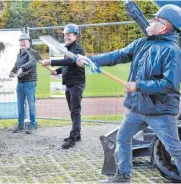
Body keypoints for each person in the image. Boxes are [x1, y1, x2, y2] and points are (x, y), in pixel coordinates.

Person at [77, 5, 181, 182]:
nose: (151, 21)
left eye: (156, 19)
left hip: (160, 112)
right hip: (137, 108)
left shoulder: (173, 51)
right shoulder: (143, 42)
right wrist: (91, 60)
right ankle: (123, 175)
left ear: (164, 26)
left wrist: (138, 86)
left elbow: (168, 84)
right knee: (123, 138)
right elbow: (118, 55)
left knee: (174, 150)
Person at [42, 23, 85, 149]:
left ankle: (72, 138)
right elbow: (67, 65)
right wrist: (57, 71)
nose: (66, 37)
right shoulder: (68, 48)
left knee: (75, 111)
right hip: (69, 83)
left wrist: (50, 61)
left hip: (77, 83)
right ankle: (77, 134)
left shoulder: (77, 48)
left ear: (75, 36)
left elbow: (70, 61)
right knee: (72, 110)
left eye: (69, 34)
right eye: (65, 35)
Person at [9, 33, 37, 134]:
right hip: (20, 83)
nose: (22, 43)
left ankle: (33, 124)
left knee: (31, 104)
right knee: (20, 104)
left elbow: (32, 63)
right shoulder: (19, 53)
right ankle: (20, 124)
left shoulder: (33, 52)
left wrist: (22, 68)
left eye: (24, 41)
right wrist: (12, 71)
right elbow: (16, 65)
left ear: (29, 42)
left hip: (30, 82)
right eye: (21, 42)